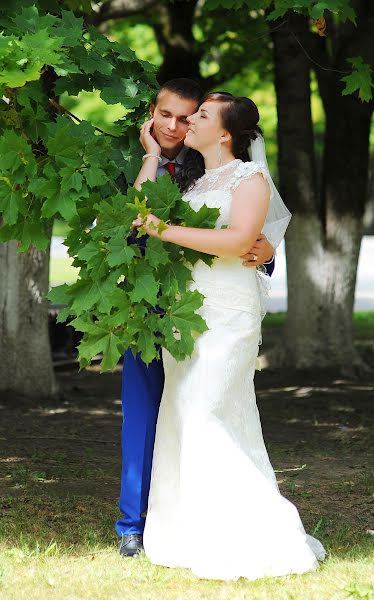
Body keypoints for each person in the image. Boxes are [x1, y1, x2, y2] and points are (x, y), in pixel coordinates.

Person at [132, 91, 326, 581]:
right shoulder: (196, 182)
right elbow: (140, 211)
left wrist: (166, 231)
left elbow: (241, 240)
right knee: (183, 413)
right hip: (188, 313)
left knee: (204, 408)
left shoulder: (250, 177)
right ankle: (190, 532)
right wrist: (152, 158)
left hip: (230, 313)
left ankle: (253, 533)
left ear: (224, 132)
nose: (189, 122)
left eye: (200, 115)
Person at [116, 79, 276, 557]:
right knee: (153, 415)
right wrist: (147, 158)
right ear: (151, 112)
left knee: (202, 410)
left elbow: (250, 236)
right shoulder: (124, 162)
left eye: (189, 117)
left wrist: (265, 250)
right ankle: (137, 524)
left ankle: (217, 525)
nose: (176, 126)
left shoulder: (214, 167)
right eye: (167, 115)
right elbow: (128, 219)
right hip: (146, 307)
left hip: (212, 307)